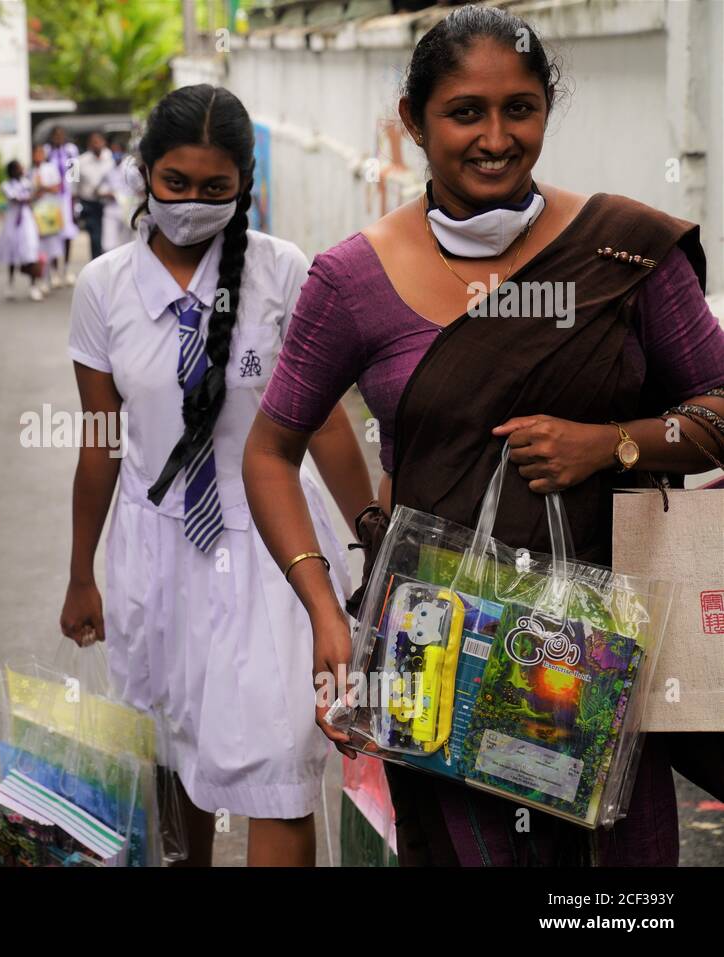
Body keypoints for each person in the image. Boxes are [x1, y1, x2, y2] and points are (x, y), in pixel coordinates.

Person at [244, 4, 724, 866]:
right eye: (467, 112)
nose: (497, 138)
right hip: (438, 659)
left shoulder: (622, 253)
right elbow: (270, 451)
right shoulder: (352, 280)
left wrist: (611, 442)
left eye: (522, 109)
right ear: (413, 121)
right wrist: (325, 610)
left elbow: (719, 405)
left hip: (608, 654)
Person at [61, 85, 374, 867]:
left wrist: (378, 540)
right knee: (168, 754)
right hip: (153, 545)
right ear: (142, 173)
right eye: (175, 183)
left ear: (246, 181)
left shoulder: (283, 272)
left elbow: (327, 419)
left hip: (273, 544)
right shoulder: (103, 287)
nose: (192, 204)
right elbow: (101, 441)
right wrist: (80, 573)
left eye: (215, 189)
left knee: (274, 764)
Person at [0, 159, 44, 301]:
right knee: (12, 251)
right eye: (18, 168)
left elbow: (32, 199)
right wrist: (33, 195)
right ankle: (10, 285)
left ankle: (33, 286)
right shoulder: (6, 185)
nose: (22, 170)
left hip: (27, 220)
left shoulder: (27, 183)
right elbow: (16, 199)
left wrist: (35, 194)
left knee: (30, 250)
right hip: (13, 220)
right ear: (11, 171)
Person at [44, 126, 82, 286]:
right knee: (53, 233)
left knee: (67, 234)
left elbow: (74, 176)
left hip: (66, 198)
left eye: (61, 135)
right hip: (51, 199)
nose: (58, 137)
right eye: (55, 135)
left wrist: (74, 199)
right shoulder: (47, 151)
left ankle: (65, 269)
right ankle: (53, 271)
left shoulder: (70, 150)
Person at [76, 131, 116, 261]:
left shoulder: (112, 158)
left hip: (109, 204)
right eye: (93, 142)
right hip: (89, 204)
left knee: (109, 238)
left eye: (98, 142)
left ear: (104, 143)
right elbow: (71, 184)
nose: (96, 145)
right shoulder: (79, 160)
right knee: (95, 236)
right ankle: (96, 263)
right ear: (89, 144)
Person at [30, 143, 66, 292]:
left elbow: (57, 187)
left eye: (40, 153)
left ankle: (54, 272)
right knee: (40, 246)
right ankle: (43, 276)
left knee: (53, 243)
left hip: (50, 209)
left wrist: (43, 187)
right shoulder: (30, 171)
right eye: (35, 154)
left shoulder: (50, 168)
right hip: (37, 211)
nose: (38, 156)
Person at [98, 139, 138, 253]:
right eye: (113, 150)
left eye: (118, 150)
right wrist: (105, 193)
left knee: (126, 244)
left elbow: (139, 189)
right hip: (111, 209)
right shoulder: (107, 167)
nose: (115, 153)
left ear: (123, 151)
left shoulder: (131, 168)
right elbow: (100, 188)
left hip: (127, 210)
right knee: (108, 245)